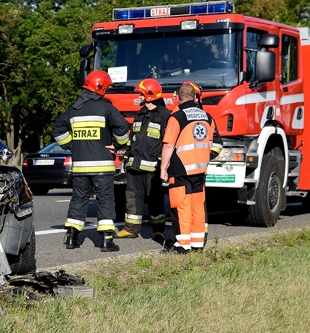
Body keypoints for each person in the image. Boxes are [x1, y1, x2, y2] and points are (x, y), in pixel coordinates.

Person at [52, 70, 130, 252]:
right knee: (105, 201)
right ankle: (106, 241)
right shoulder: (106, 108)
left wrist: (72, 145)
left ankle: (71, 238)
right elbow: (122, 126)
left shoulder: (74, 109)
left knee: (78, 200)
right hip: (102, 166)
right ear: (101, 87)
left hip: (80, 167)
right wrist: (119, 145)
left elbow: (57, 129)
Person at [160, 82, 222, 253]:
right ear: (195, 97)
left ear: (178, 99)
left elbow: (168, 145)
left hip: (181, 168)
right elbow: (211, 143)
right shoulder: (207, 117)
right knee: (197, 206)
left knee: (181, 206)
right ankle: (197, 243)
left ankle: (182, 245)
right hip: (200, 169)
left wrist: (163, 168)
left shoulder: (177, 117)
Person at [117, 78, 169, 244]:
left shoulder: (164, 115)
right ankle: (130, 229)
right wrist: (126, 158)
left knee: (155, 200)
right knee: (132, 198)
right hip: (134, 166)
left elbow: (167, 142)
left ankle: (158, 230)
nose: (137, 97)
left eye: (140, 94)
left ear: (149, 96)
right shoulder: (139, 114)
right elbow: (133, 138)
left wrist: (162, 164)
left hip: (152, 168)